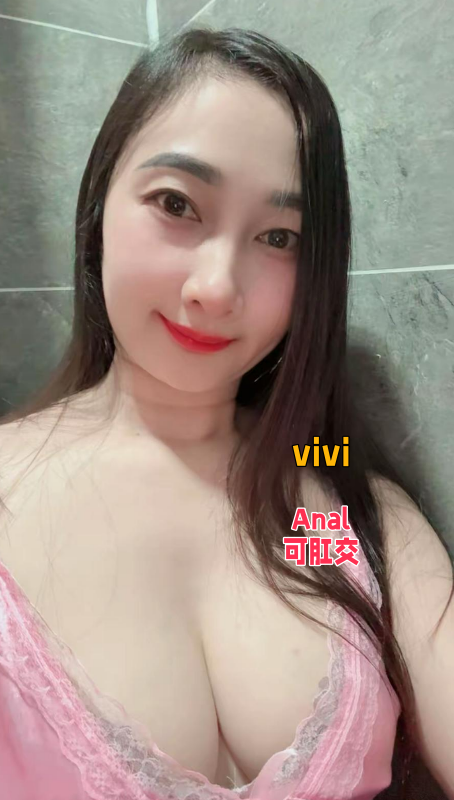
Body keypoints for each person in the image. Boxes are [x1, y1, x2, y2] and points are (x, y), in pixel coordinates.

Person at [0, 25, 452, 800]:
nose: (216, 287)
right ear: (98, 207)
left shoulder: (349, 504)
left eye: (279, 237)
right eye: (176, 203)